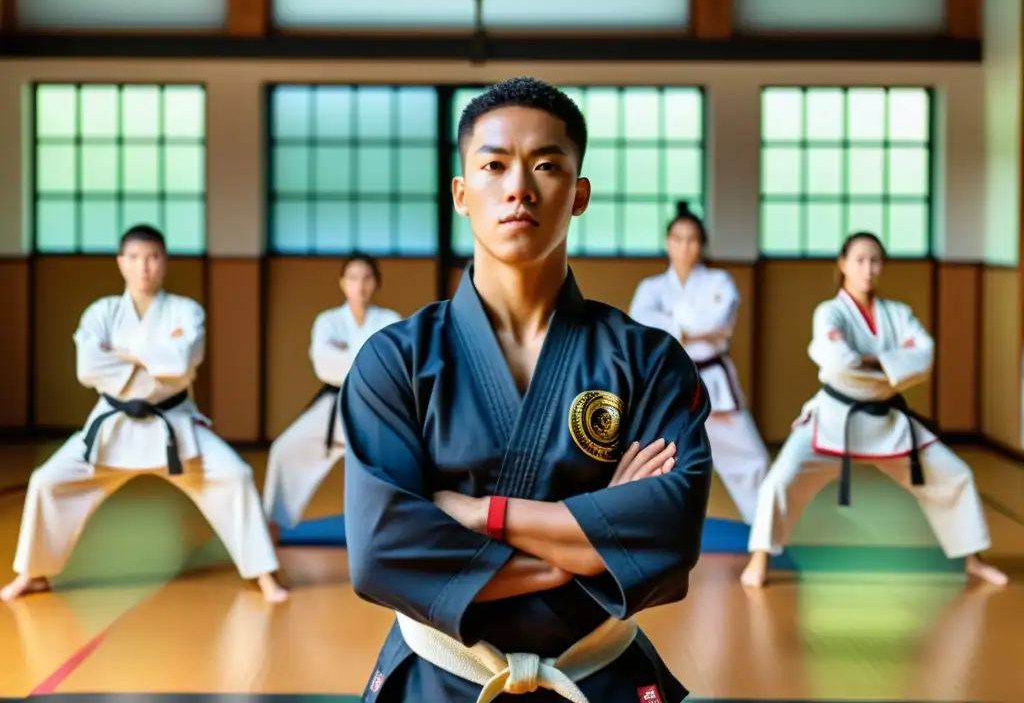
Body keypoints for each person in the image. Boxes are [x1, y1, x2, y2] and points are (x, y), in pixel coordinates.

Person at [340, 76, 714, 702]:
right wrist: (596, 537)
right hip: (439, 678)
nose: (519, 187)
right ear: (461, 193)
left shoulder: (649, 362)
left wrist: (475, 514)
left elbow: (669, 539)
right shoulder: (397, 361)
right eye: (494, 165)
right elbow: (381, 553)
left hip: (598, 677)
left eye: (547, 164)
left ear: (578, 193)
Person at [0, 225, 288, 604]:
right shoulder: (101, 312)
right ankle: (32, 573)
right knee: (48, 481)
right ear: (121, 263)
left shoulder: (186, 310)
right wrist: (156, 359)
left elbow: (184, 361)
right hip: (113, 427)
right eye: (134, 258)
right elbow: (89, 367)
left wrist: (125, 353)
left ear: (165, 262)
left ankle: (264, 574)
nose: (144, 267)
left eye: (153, 257)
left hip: (174, 426)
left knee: (236, 475)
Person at [740, 231, 1007, 589]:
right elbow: (838, 360)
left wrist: (869, 361)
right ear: (843, 264)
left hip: (888, 420)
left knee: (955, 474)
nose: (868, 268)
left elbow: (923, 356)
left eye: (876, 260)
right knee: (780, 480)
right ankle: (759, 559)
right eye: (860, 260)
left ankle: (973, 558)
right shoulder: (830, 312)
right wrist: (891, 364)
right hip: (835, 416)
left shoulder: (898, 314)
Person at [628, 202, 770, 524]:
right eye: (677, 238)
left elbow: (717, 320)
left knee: (752, 460)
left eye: (692, 239)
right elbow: (642, 328)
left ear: (702, 244)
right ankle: (648, 532)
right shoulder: (651, 288)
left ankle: (765, 537)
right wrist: (692, 329)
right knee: (654, 459)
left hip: (712, 381)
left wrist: (671, 322)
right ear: (667, 242)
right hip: (665, 383)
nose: (684, 246)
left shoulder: (720, 282)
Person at [262, 253, 401, 535]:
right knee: (283, 449)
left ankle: (393, 532)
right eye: (352, 278)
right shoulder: (327, 321)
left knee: (398, 462)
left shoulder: (390, 320)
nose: (359, 285)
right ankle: (272, 524)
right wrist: (365, 360)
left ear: (376, 283)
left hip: (376, 407)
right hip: (333, 404)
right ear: (342, 283)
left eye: (367, 278)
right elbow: (324, 366)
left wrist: (347, 357)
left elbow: (391, 368)